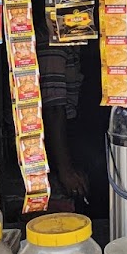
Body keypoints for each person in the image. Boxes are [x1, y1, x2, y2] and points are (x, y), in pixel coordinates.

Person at [38, 43, 89, 203]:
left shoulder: (67, 43)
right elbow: (53, 108)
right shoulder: (52, 46)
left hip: (66, 130)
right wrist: (65, 170)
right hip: (53, 137)